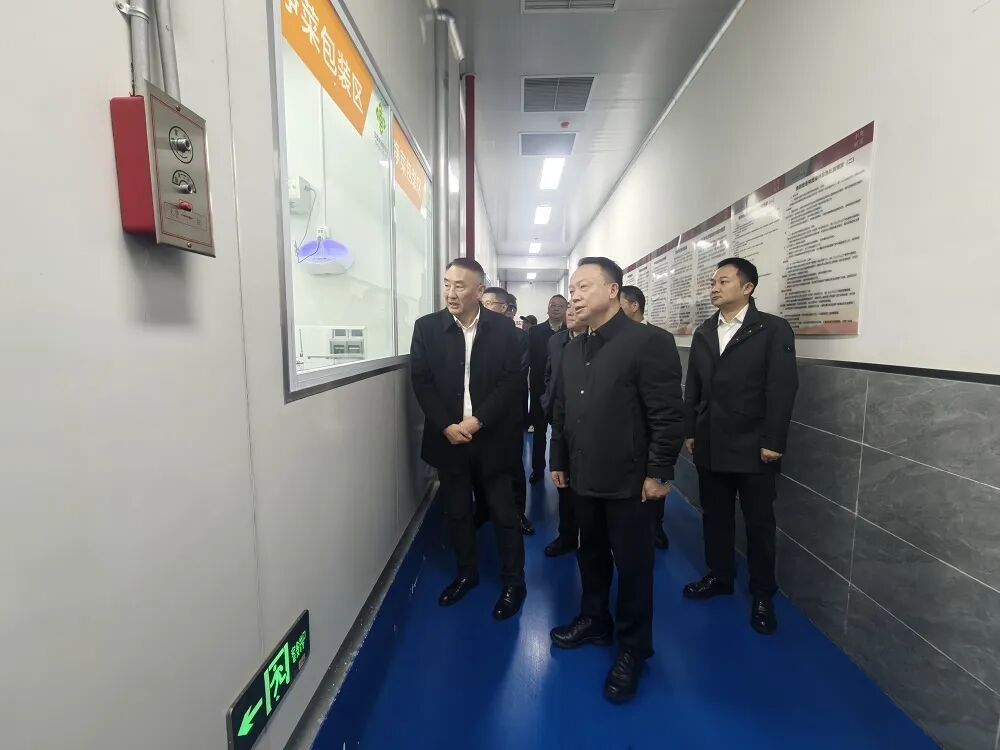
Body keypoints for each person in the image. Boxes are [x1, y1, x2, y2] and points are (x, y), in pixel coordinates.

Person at [549, 257, 684, 703]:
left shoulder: (649, 342)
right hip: (583, 474)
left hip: (630, 480)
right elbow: (563, 411)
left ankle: (633, 649)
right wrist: (558, 458)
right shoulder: (573, 348)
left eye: (584, 286)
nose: (575, 295)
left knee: (633, 566)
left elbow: (667, 414)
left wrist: (659, 471)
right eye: (572, 288)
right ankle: (594, 620)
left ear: (613, 291)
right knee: (590, 552)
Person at [681, 257, 798, 636]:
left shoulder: (772, 329)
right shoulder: (705, 330)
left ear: (747, 288)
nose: (714, 287)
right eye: (713, 282)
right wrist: (690, 429)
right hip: (711, 441)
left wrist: (773, 441)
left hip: (754, 445)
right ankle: (720, 575)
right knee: (715, 515)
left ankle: (763, 593)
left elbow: (782, 387)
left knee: (759, 522)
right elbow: (693, 386)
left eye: (723, 281)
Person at [410, 259, 527, 621]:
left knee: (504, 513)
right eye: (447, 284)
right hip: (450, 439)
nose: (450, 293)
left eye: (460, 286)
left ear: (479, 290)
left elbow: (511, 382)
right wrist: (446, 424)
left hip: (492, 437)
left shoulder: (505, 331)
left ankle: (514, 583)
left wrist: (478, 420)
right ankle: (466, 574)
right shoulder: (427, 328)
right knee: (458, 512)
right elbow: (422, 381)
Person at [476, 287, 533, 536]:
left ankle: (518, 512)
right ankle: (483, 509)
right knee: (479, 463)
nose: (485, 308)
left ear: (507, 309)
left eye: (491, 303)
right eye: (483, 302)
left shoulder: (519, 337)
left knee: (512, 465)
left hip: (508, 413)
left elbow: (515, 377)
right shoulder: (475, 333)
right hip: (479, 415)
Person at [620, 285, 671, 552]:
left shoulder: (659, 338)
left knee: (653, 479)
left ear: (634, 305)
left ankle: (656, 527)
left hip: (651, 424)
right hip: (622, 427)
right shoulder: (612, 338)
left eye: (619, 304)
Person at [539, 302, 587, 557]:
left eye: (575, 310)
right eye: (569, 310)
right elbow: (549, 373)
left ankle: (590, 540)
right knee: (563, 479)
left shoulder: (598, 341)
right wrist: (547, 399)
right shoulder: (556, 341)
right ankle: (567, 535)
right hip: (560, 417)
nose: (571, 314)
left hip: (587, 421)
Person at [526, 295, 569, 483]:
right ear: (547, 308)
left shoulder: (571, 331)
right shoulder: (535, 332)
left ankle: (563, 470)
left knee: (563, 435)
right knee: (539, 435)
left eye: (560, 305)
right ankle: (537, 470)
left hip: (563, 394)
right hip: (539, 393)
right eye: (553, 305)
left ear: (566, 309)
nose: (556, 308)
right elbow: (526, 360)